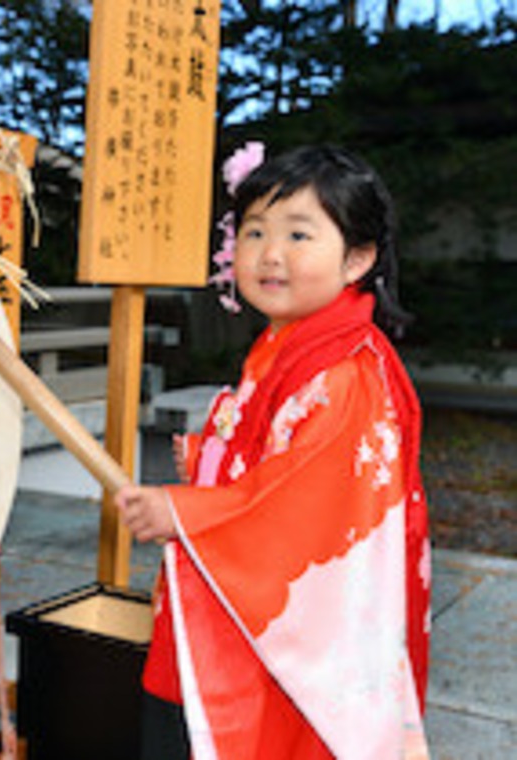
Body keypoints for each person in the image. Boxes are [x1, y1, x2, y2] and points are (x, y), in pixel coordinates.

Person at [115, 145, 431, 758]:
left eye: (298, 233)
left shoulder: (347, 372)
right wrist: (211, 460)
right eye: (254, 231)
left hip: (292, 633)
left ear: (357, 258)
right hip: (237, 600)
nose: (270, 253)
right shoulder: (288, 343)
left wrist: (184, 512)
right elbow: (274, 458)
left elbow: (311, 506)